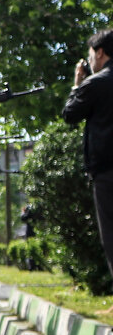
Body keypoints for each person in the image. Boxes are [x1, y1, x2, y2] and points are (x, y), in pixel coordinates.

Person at [62, 28, 113, 284]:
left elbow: (70, 114)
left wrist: (77, 82)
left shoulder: (96, 83)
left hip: (106, 172)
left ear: (100, 52)